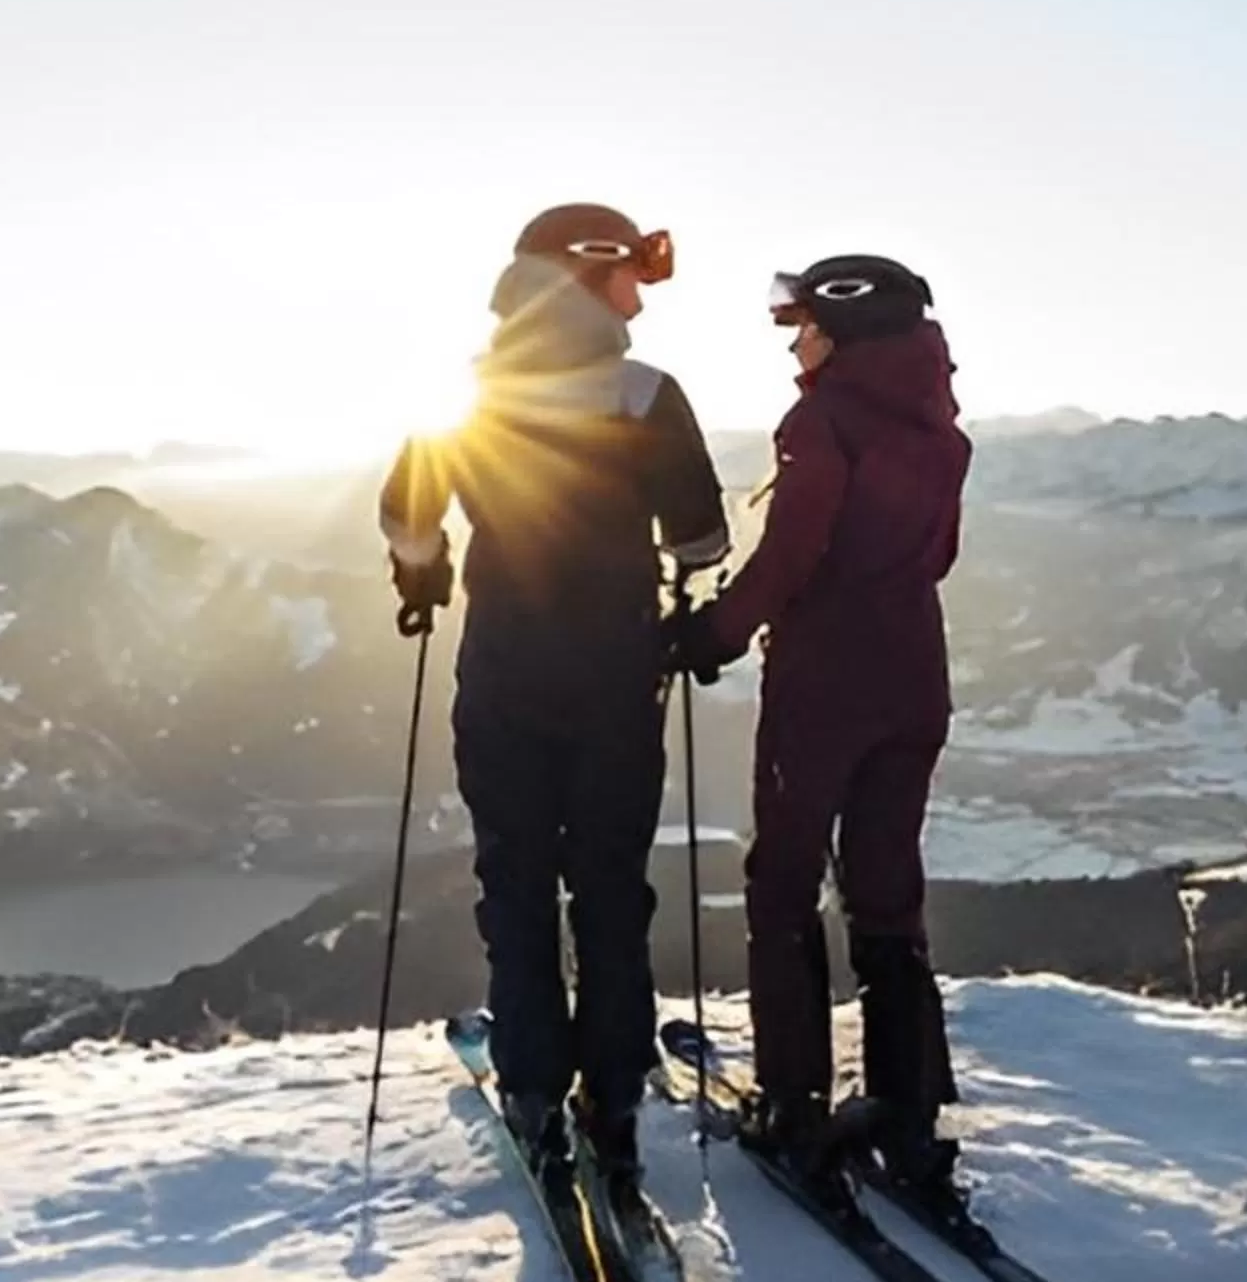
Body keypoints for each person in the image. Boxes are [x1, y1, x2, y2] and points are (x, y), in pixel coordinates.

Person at [379, 202, 732, 1202]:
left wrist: (425, 576)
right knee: (612, 889)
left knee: (518, 883)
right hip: (617, 679)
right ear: (588, 274)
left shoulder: (472, 394)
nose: (640, 299)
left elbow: (407, 517)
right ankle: (613, 1099)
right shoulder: (645, 393)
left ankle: (533, 1088)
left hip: (504, 673)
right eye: (633, 276)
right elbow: (701, 538)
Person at [662, 253, 973, 1212]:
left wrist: (711, 634)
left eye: (802, 325)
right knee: (887, 890)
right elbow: (938, 555)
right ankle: (909, 1111)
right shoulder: (937, 422)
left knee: (785, 879)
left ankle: (793, 1102)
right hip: (914, 673)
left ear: (843, 327)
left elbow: (792, 553)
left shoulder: (823, 420)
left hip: (825, 682)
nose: (794, 342)